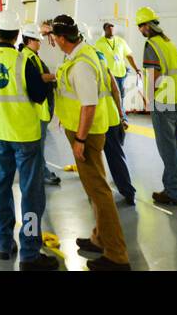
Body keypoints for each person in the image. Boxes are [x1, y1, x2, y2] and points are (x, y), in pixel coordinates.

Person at [0, 10, 57, 270]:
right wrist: (46, 82)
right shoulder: (24, 62)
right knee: (31, 194)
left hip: (0, 135)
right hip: (26, 137)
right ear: (16, 35)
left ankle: (3, 244)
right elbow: (38, 95)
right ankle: (30, 253)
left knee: (1, 189)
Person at [51, 14, 131, 270]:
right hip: (85, 129)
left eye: (54, 36)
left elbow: (89, 105)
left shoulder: (82, 63)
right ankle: (99, 238)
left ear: (63, 38)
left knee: (99, 192)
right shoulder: (84, 54)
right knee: (95, 189)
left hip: (87, 133)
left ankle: (117, 255)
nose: (53, 40)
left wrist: (81, 140)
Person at [137, 6, 177, 206]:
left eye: (141, 26)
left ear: (147, 26)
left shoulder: (152, 45)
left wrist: (148, 100)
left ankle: (173, 191)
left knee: (167, 147)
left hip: (162, 101)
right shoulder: (169, 43)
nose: (140, 30)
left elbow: (152, 75)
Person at [84, 19, 137, 205]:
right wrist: (121, 114)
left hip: (94, 120)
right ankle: (128, 191)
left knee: (92, 160)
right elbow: (114, 88)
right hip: (111, 115)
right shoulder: (98, 55)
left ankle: (97, 194)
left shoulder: (79, 62)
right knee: (116, 155)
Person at [18, 29, 62, 186]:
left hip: (40, 107)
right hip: (37, 109)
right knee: (38, 144)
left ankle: (37, 172)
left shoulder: (30, 56)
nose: (40, 43)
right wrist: (58, 74)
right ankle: (41, 174)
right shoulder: (28, 57)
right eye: (37, 40)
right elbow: (39, 78)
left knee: (37, 144)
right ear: (29, 41)